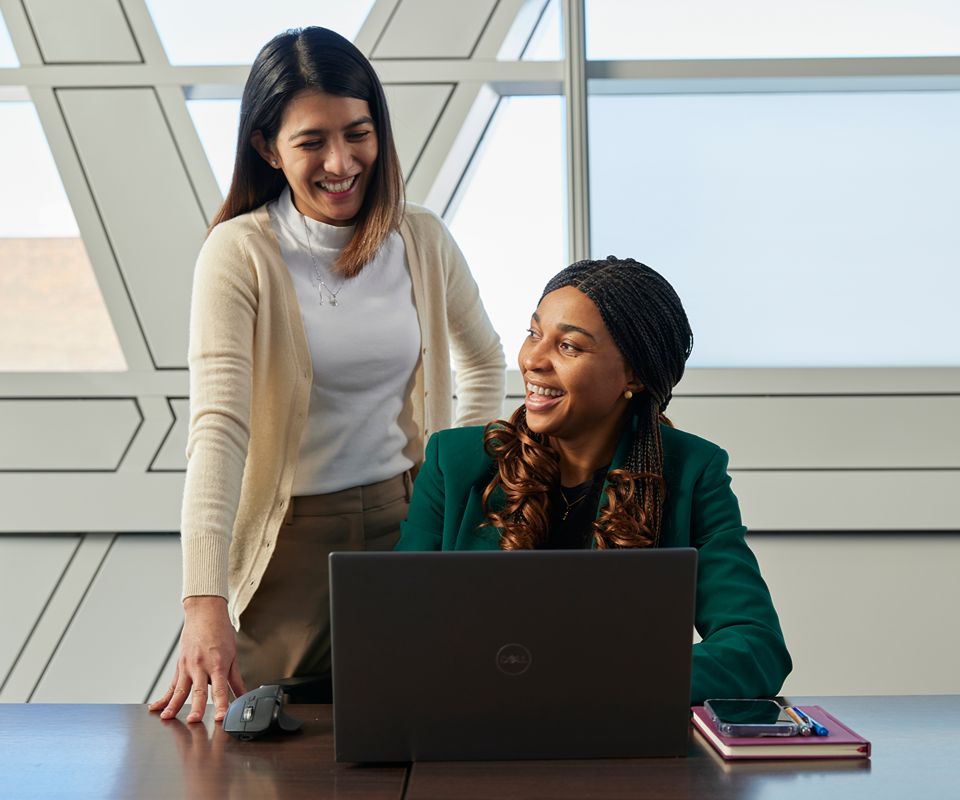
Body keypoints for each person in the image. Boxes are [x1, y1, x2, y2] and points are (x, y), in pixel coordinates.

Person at [150, 27, 505, 724]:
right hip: (291, 545)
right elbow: (218, 429)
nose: (341, 162)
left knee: (424, 730)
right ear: (267, 148)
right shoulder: (239, 253)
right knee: (274, 759)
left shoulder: (422, 239)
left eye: (358, 133)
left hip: (413, 523)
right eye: (312, 141)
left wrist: (463, 485)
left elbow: (485, 360)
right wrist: (204, 601)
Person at [396, 256, 791, 704]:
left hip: (619, 740)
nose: (533, 360)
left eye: (569, 347)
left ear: (634, 375)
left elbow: (756, 648)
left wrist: (607, 680)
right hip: (477, 725)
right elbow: (401, 626)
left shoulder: (693, 472)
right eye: (534, 333)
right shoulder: (455, 462)